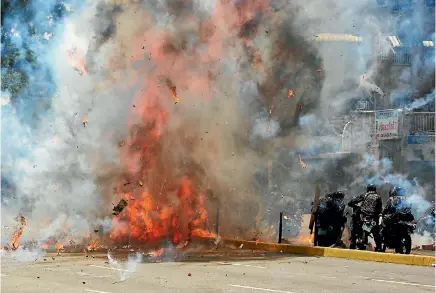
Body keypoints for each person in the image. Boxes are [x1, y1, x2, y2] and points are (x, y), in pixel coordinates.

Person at [348, 184, 383, 251]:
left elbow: (351, 202)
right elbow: (379, 209)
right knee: (376, 232)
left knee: (354, 227)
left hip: (363, 216)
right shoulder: (378, 197)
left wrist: (355, 206)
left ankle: (353, 243)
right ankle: (379, 247)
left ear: (368, 189)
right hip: (373, 218)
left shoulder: (364, 195)